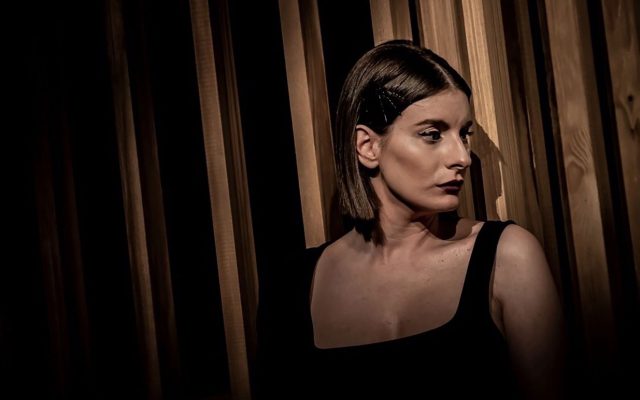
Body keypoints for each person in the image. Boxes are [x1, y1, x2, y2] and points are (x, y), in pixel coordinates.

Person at [255, 40, 565, 399]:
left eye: (464, 134)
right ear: (368, 147)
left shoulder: (507, 257)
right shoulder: (291, 287)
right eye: (432, 135)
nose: (463, 157)